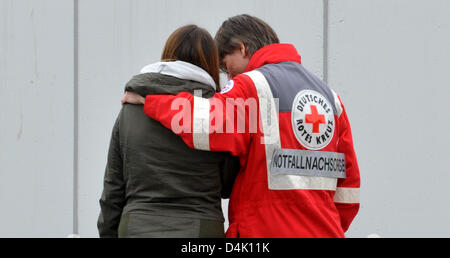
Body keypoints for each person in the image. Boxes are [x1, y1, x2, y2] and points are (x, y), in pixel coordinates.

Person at [123, 14, 360, 238]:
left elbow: (204, 122)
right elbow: (348, 191)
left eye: (226, 66)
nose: (228, 76)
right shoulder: (331, 98)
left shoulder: (252, 86)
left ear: (242, 48)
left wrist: (151, 101)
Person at [97, 24, 240, 238]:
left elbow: (113, 189)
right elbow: (228, 184)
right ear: (210, 64)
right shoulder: (215, 111)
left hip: (136, 226)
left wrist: (108, 233)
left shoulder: (130, 110)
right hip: (200, 229)